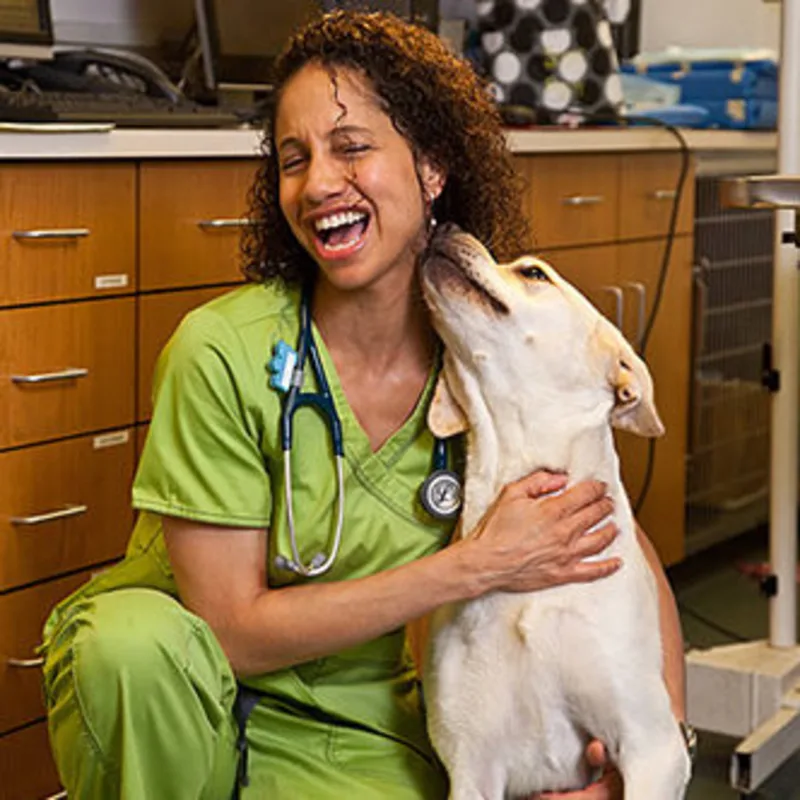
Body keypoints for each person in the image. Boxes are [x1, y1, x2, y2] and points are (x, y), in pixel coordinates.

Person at [40, 10, 687, 800]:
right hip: (187, 693)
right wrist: (473, 566)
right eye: (293, 158)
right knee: (127, 645)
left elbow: (611, 537)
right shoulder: (222, 353)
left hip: (365, 724)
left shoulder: (486, 362)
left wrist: (653, 751)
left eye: (352, 148)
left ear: (433, 166)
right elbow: (228, 631)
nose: (317, 186)